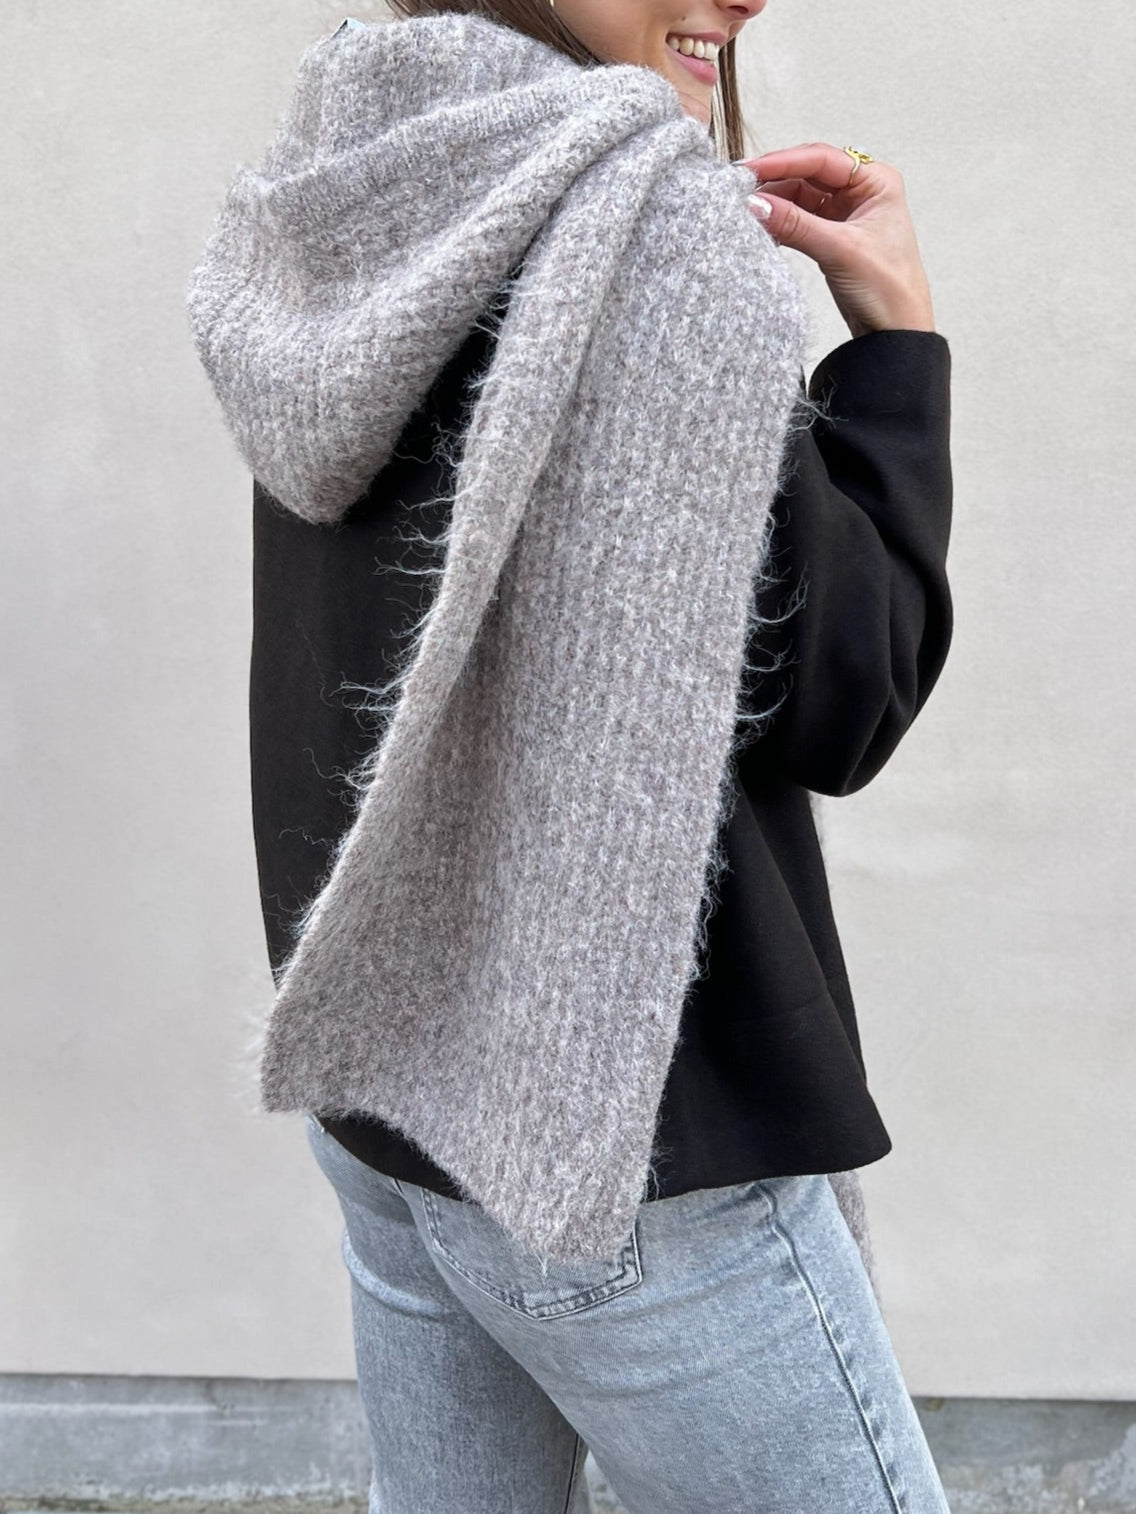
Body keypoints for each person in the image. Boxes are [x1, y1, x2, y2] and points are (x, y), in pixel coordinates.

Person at [225, 3, 955, 1510]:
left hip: (398, 1103)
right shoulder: (642, 228)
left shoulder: (359, 151)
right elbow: (847, 695)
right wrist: (897, 343)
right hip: (620, 1139)